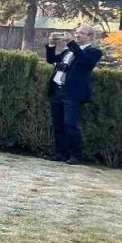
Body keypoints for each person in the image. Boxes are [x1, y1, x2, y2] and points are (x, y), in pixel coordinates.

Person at [46, 25, 102, 164]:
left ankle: (76, 155)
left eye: (81, 33)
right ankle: (60, 153)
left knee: (70, 124)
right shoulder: (67, 51)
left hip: (72, 93)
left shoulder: (94, 52)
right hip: (57, 90)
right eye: (76, 33)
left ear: (90, 37)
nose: (77, 35)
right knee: (58, 124)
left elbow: (84, 60)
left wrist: (71, 43)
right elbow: (51, 60)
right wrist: (52, 44)